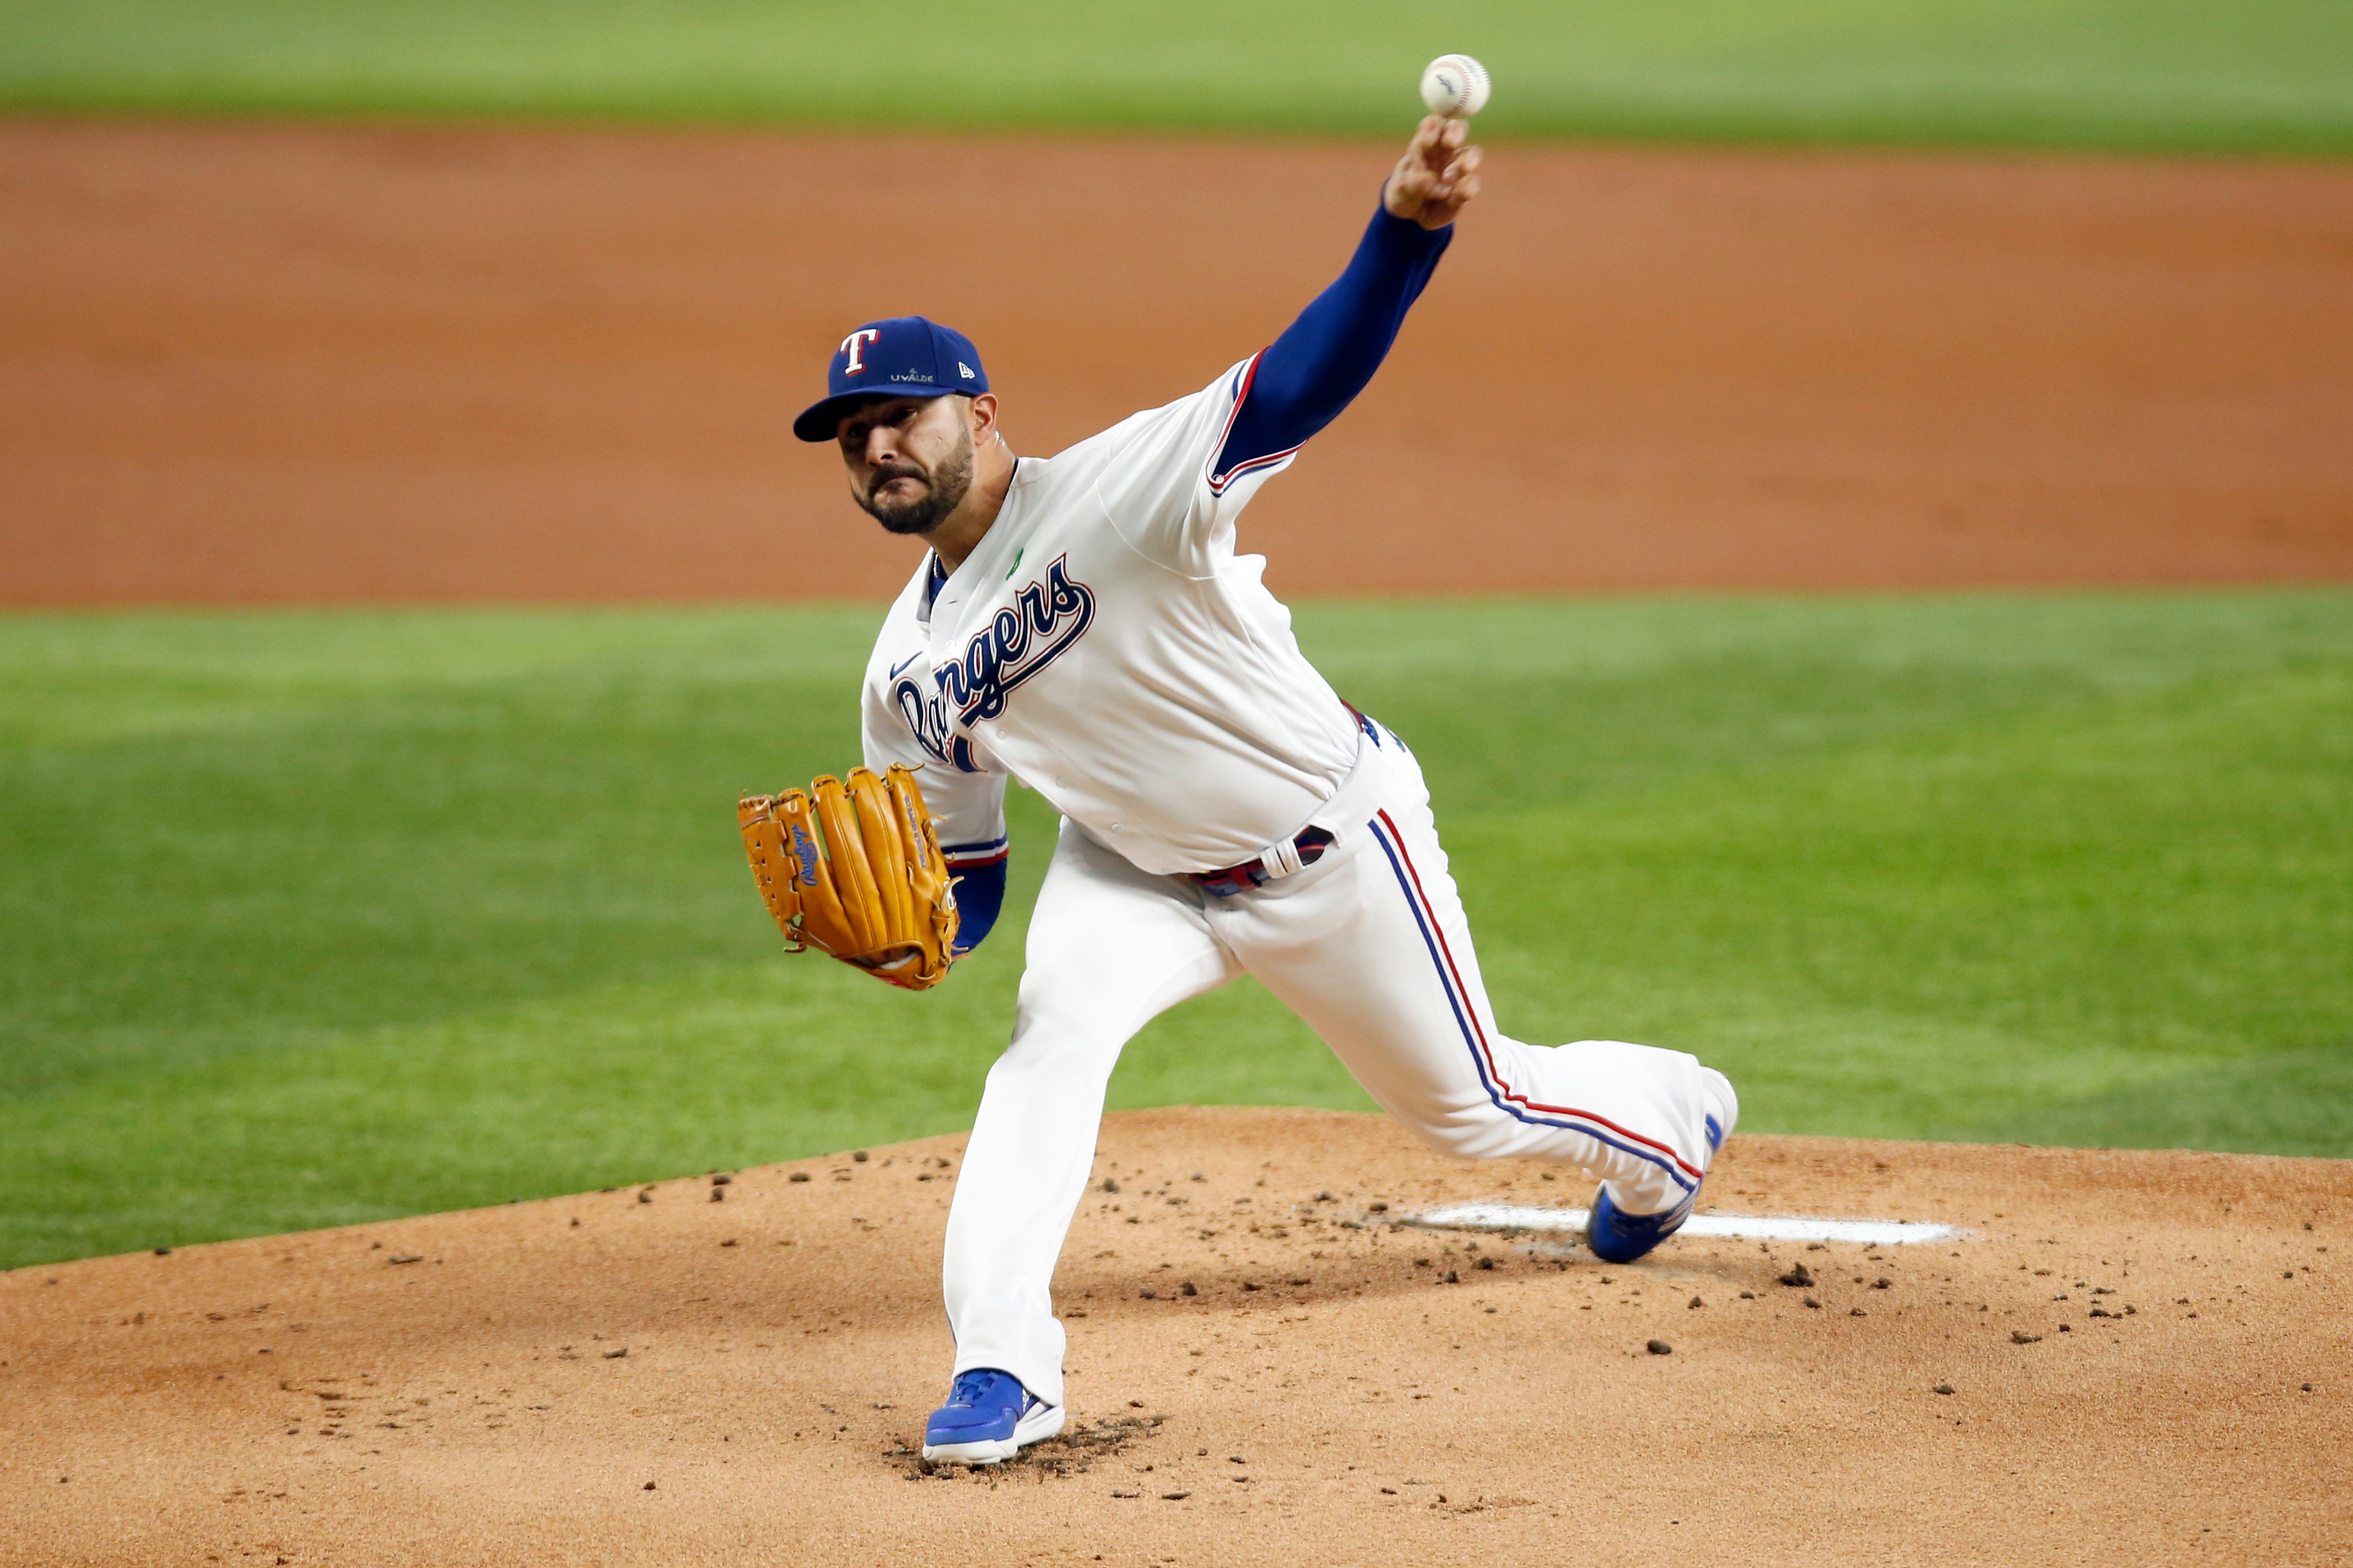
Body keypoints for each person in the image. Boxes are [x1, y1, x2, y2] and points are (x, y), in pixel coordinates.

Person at [789, 117, 1739, 1465]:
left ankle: (1669, 1120)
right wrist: (909, 929)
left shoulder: (1121, 490)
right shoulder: (903, 670)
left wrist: (1407, 231)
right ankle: (1005, 1367)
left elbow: (1301, 379)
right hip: (1129, 872)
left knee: (1475, 1114)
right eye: (851, 432)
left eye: (904, 416)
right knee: (1045, 1047)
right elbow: (973, 876)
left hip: (1330, 847)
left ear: (982, 416)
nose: (878, 443)